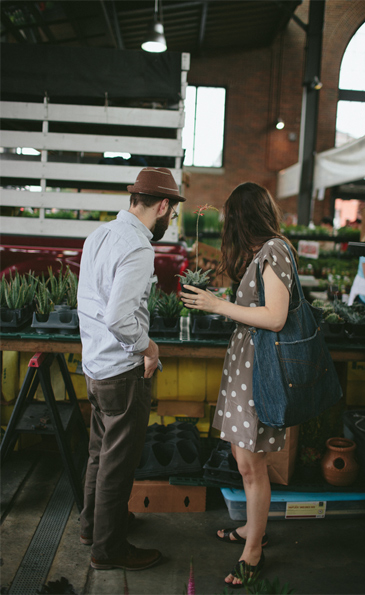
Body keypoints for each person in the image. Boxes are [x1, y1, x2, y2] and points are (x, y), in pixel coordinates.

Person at [179, 182, 293, 588]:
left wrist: (217, 305)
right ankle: (251, 528)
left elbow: (276, 317)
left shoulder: (275, 251)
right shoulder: (263, 254)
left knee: (251, 466)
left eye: (230, 217)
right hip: (246, 370)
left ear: (242, 218)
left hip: (257, 372)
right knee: (245, 463)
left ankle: (254, 550)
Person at [78, 166, 184, 571]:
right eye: (171, 213)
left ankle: (94, 527)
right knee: (118, 466)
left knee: (98, 455)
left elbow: (92, 305)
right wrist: (149, 347)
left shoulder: (99, 235)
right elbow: (121, 318)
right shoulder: (138, 247)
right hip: (122, 371)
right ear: (162, 205)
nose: (169, 220)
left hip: (96, 366)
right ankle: (108, 550)